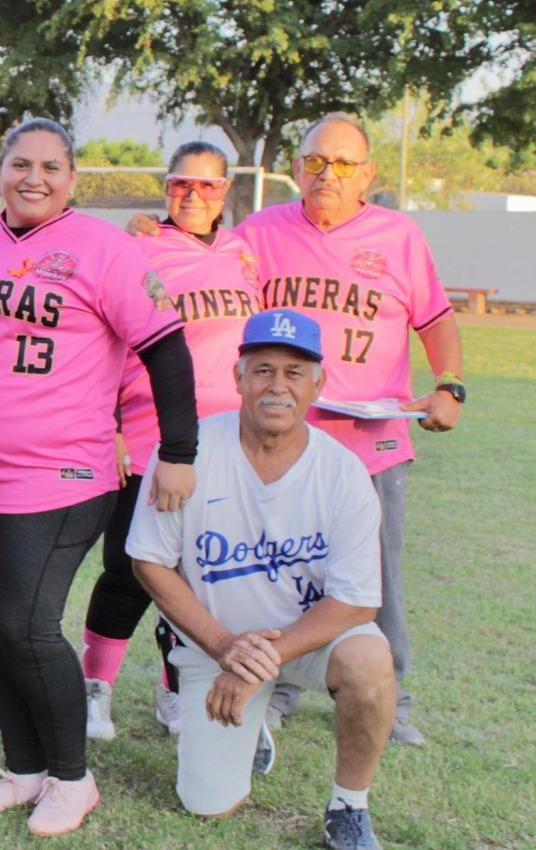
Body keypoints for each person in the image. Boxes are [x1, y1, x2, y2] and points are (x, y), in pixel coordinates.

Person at [0, 118, 199, 837]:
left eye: (50, 167)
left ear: (72, 179)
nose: (33, 178)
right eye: (19, 164)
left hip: (62, 476)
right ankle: (27, 768)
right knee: (0, 625)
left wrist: (179, 450)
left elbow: (167, 349)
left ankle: (73, 776)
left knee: (30, 626)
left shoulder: (106, 249)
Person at [135, 115, 463, 745]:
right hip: (279, 437)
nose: (327, 175)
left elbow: (437, 318)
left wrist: (449, 384)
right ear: (297, 168)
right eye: (315, 162)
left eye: (342, 164)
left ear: (366, 173)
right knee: (272, 566)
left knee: (375, 572)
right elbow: (201, 253)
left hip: (371, 436)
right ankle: (276, 685)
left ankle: (390, 694)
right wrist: (152, 229)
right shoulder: (261, 232)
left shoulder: (398, 235)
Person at [128, 309, 397, 850]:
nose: (278, 386)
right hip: (214, 645)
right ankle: (251, 726)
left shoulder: (342, 471)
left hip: (304, 642)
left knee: (371, 659)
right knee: (207, 805)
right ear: (238, 377)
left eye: (295, 373)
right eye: (264, 370)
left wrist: (257, 661)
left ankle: (349, 807)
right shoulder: (188, 452)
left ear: (319, 384)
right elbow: (150, 562)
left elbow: (357, 602)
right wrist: (227, 648)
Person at [83, 142, 261, 742]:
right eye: (181, 184)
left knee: (201, 577)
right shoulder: (136, 247)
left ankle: (174, 690)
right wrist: (108, 428)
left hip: (228, 443)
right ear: (165, 187)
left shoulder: (244, 253)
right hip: (151, 434)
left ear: (226, 190)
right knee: (130, 569)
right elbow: (102, 342)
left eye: (207, 186)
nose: (193, 196)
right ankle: (95, 688)